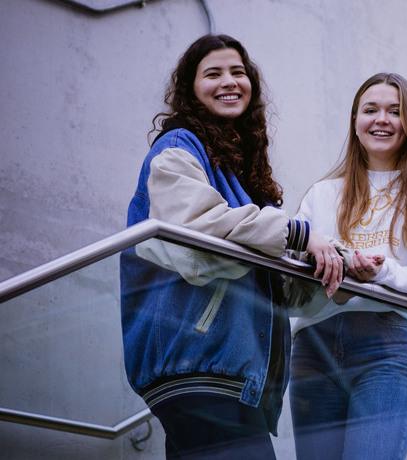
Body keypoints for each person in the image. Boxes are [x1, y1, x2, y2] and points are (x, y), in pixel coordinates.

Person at [119, 34, 343, 459]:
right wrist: (298, 234)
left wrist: (339, 268)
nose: (229, 81)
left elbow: (274, 285)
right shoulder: (177, 148)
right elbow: (199, 231)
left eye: (238, 72)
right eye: (213, 73)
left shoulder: (243, 180)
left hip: (230, 377)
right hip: (200, 367)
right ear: (190, 90)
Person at [288, 72, 407, 460]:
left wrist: (381, 272)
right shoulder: (323, 193)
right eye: (370, 110)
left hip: (389, 344)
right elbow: (292, 273)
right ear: (355, 123)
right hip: (314, 346)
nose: (382, 119)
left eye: (395, 111)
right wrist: (328, 264)